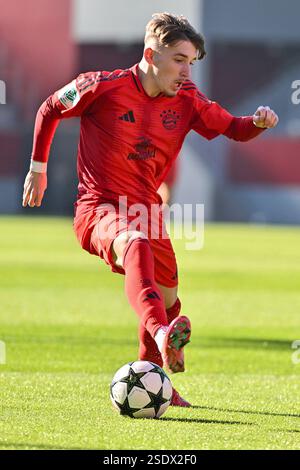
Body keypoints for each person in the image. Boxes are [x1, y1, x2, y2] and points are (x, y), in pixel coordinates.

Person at [22, 12, 279, 407]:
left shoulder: (189, 99)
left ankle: (158, 382)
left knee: (170, 296)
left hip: (146, 210)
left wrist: (258, 122)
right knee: (135, 244)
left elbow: (234, 127)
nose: (186, 71)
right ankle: (161, 333)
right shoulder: (101, 86)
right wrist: (37, 170)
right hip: (99, 208)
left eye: (191, 62)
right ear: (151, 55)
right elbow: (49, 109)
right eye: (179, 59)